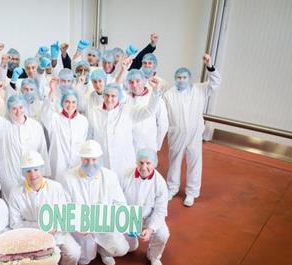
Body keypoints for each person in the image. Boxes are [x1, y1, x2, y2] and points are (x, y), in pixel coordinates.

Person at [8, 151, 82, 265]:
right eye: (28, 171)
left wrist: (57, 227)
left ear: (42, 169)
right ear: (23, 173)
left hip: (57, 231)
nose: (33, 174)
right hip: (32, 236)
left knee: (74, 252)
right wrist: (41, 227)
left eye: (36, 169)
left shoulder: (56, 187)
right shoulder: (15, 193)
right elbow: (15, 224)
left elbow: (64, 213)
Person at [59, 140, 130, 265]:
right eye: (86, 160)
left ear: (100, 159)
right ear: (81, 159)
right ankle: (89, 252)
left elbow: (121, 204)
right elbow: (64, 209)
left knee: (122, 249)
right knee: (84, 261)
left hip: (104, 225)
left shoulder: (110, 176)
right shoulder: (67, 178)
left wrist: (108, 221)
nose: (90, 164)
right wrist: (76, 225)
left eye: (94, 159)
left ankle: (104, 250)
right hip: (82, 229)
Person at [163, 54, 221, 207]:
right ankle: (171, 188)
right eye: (178, 77)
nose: (181, 80)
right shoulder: (169, 94)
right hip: (177, 134)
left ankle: (191, 193)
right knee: (174, 161)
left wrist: (210, 65)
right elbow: (163, 114)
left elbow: (215, 82)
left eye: (184, 77)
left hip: (194, 134)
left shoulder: (200, 89)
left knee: (194, 161)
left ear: (189, 78)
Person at [87, 78, 162, 177]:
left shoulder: (128, 110)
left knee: (125, 189)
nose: (109, 99)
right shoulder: (94, 112)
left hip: (124, 163)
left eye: (113, 96)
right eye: (107, 95)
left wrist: (156, 92)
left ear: (119, 97)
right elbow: (90, 137)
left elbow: (149, 111)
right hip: (103, 162)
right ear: (103, 96)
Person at [0, 94, 50, 200]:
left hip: (32, 175)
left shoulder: (35, 126)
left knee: (32, 203)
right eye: (14, 108)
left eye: (20, 107)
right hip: (10, 176)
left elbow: (42, 150)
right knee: (11, 204)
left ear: (25, 107)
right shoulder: (3, 126)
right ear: (9, 110)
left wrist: (45, 173)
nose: (18, 111)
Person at [120, 148, 170, 265]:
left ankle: (154, 256)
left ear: (155, 163)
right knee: (129, 248)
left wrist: (150, 229)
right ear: (136, 162)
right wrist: (127, 219)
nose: (144, 167)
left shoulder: (160, 183)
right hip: (128, 214)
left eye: (148, 163)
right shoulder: (125, 175)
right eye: (141, 162)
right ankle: (130, 242)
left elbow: (160, 211)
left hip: (149, 215)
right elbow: (117, 199)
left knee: (163, 234)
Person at [42, 78, 88, 179]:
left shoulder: (83, 121)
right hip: (58, 166)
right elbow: (45, 113)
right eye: (67, 101)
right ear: (62, 102)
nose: (70, 105)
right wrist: (52, 90)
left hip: (77, 164)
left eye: (73, 102)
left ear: (77, 103)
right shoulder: (54, 119)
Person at [124, 69, 168, 152]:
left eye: (138, 81)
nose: (134, 85)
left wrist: (157, 145)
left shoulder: (155, 98)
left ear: (144, 81)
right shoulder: (125, 97)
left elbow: (163, 124)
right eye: (131, 82)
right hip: (129, 146)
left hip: (148, 144)